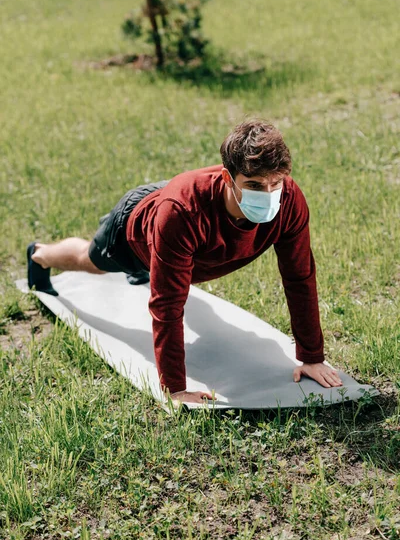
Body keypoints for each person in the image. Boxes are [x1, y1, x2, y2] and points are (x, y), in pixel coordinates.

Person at [27, 119, 343, 404]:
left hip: (181, 227)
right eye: (255, 186)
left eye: (276, 183)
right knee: (90, 261)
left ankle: (154, 268)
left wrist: (311, 356)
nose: (269, 194)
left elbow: (299, 277)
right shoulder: (180, 213)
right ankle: (41, 254)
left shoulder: (288, 200)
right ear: (227, 178)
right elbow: (166, 303)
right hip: (135, 234)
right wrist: (174, 387)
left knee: (180, 273)